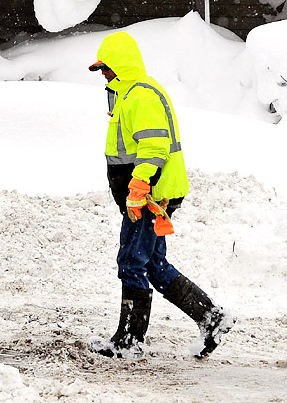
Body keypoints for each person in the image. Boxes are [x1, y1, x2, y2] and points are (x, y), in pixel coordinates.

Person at [87, 31, 233, 359]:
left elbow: (155, 147)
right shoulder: (129, 94)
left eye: (107, 68)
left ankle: (129, 341)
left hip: (150, 195)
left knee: (132, 261)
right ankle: (213, 318)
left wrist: (138, 187)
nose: (104, 75)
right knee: (152, 263)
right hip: (152, 193)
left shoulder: (139, 95)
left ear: (121, 65)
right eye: (101, 70)